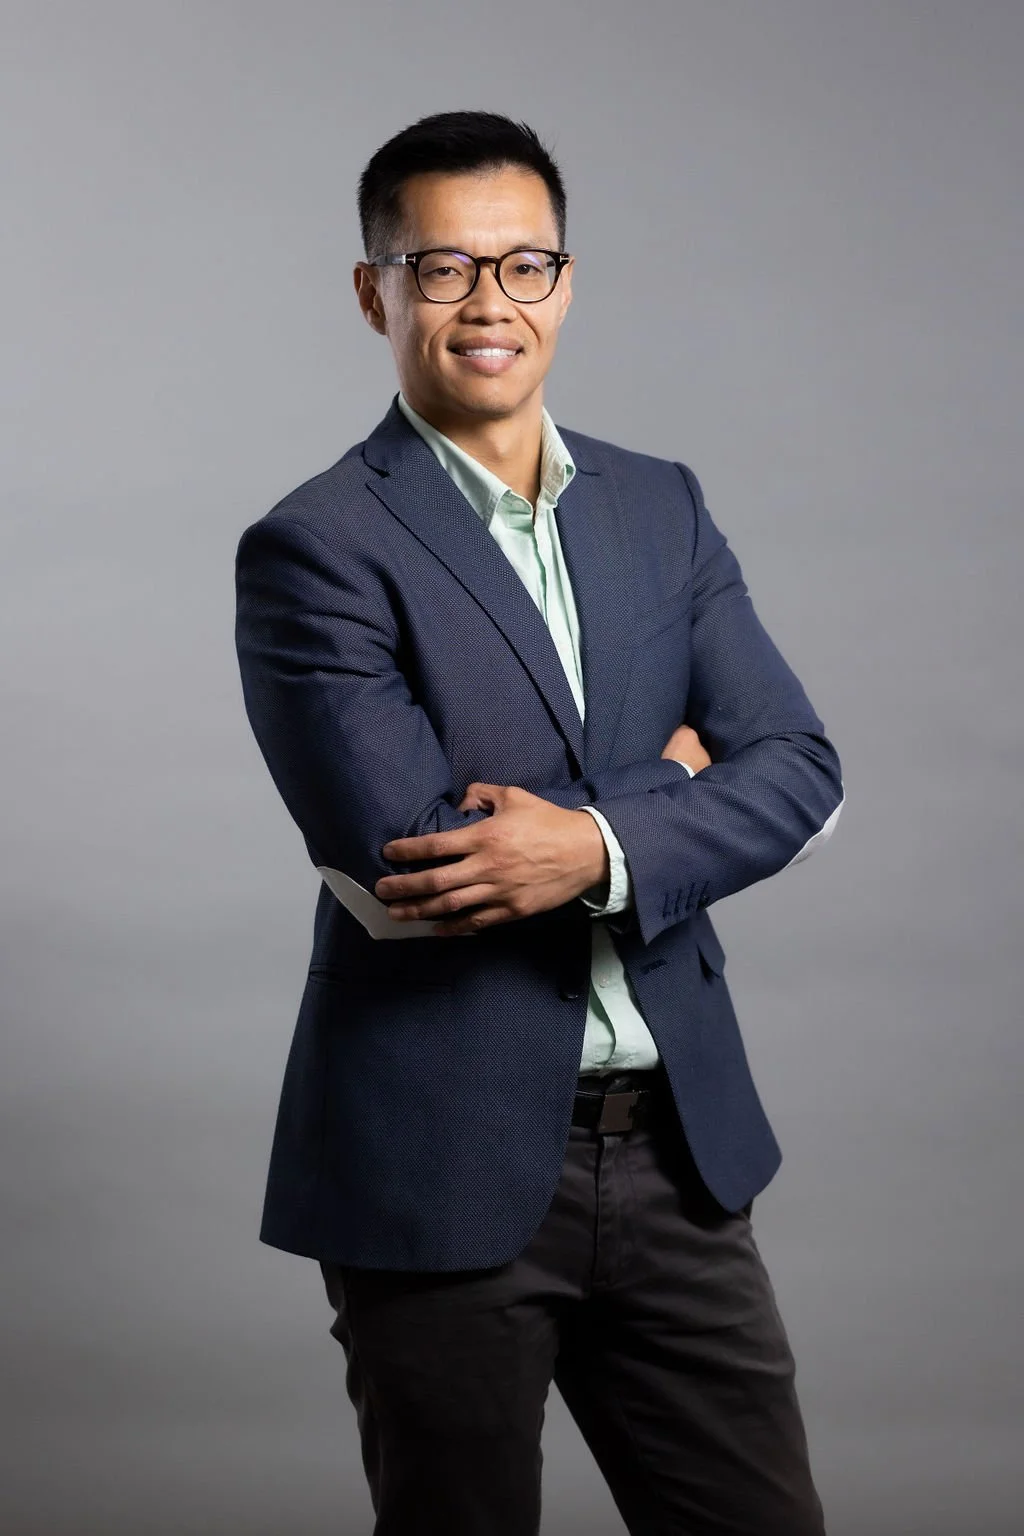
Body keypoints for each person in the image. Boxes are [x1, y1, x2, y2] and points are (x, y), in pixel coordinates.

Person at [234, 109, 844, 1536]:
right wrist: (674, 788)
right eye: (442, 268)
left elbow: (801, 767)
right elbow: (413, 861)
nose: (489, 304)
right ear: (375, 292)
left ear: (566, 283)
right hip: (435, 1160)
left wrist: (591, 842)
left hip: (679, 1156)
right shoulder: (317, 545)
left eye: (525, 265)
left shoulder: (661, 508)